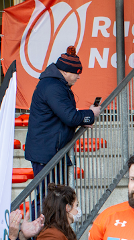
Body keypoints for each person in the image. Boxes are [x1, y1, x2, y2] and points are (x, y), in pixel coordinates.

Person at [25, 47, 100, 187]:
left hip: (51, 150)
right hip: (46, 153)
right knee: (49, 195)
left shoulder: (54, 84)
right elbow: (70, 117)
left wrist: (82, 119)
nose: (78, 77)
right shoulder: (53, 87)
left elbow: (64, 115)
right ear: (65, 71)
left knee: (57, 195)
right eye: (76, 73)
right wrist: (91, 114)